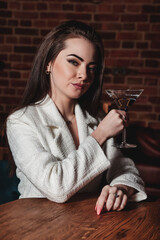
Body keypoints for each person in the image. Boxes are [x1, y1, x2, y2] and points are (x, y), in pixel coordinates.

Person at [6, 20, 147, 215]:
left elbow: (125, 170)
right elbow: (56, 187)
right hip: (36, 226)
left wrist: (120, 189)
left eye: (91, 67)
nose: (84, 75)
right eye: (74, 62)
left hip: (88, 225)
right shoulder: (21, 121)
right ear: (48, 64)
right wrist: (99, 135)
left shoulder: (95, 119)